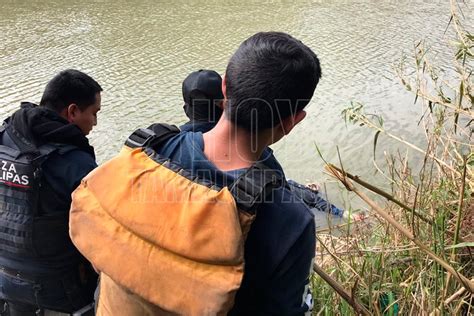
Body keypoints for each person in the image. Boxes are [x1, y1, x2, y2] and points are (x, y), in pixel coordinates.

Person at [181, 69, 344, 229]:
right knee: (293, 189)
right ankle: (341, 214)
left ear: (186, 109)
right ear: (225, 103)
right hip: (251, 225)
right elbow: (282, 189)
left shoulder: (166, 141)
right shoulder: (246, 144)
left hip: (193, 227)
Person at [0, 69, 102, 315]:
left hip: (5, 274)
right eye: (94, 113)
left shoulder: (5, 138)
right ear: (73, 111)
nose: (95, 122)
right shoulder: (76, 163)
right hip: (58, 286)